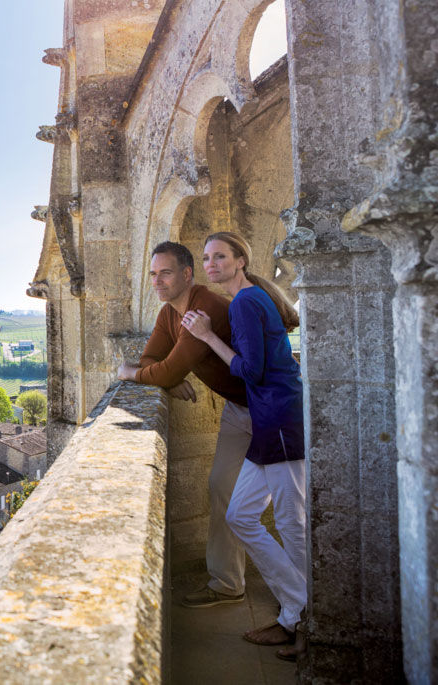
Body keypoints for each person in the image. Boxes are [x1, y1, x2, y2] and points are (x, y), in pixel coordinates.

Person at [181, 231, 305, 655]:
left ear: (240, 260)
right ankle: (300, 610)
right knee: (241, 515)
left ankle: (305, 622)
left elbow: (250, 371)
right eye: (206, 258)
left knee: (291, 525)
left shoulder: (248, 302)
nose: (211, 264)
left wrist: (206, 336)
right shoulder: (246, 301)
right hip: (270, 422)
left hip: (281, 421)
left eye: (219, 257)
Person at [117, 241, 251, 608]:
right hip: (240, 409)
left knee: (285, 504)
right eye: (153, 274)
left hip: (268, 408)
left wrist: (137, 374)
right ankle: (228, 583)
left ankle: (297, 598)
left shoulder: (203, 306)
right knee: (221, 486)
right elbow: (153, 359)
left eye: (166, 273)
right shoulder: (169, 314)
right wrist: (165, 378)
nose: (157, 281)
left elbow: (159, 366)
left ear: (187, 274)